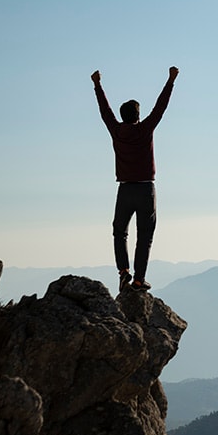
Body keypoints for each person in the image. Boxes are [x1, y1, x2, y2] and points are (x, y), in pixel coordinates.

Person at [91, 66, 179, 291]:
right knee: (145, 236)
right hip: (146, 190)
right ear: (139, 116)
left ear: (123, 116)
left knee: (120, 232)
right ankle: (139, 280)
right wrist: (170, 81)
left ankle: (123, 272)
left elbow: (104, 111)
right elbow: (161, 107)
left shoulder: (116, 130)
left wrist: (97, 85)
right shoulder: (145, 130)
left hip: (125, 189)